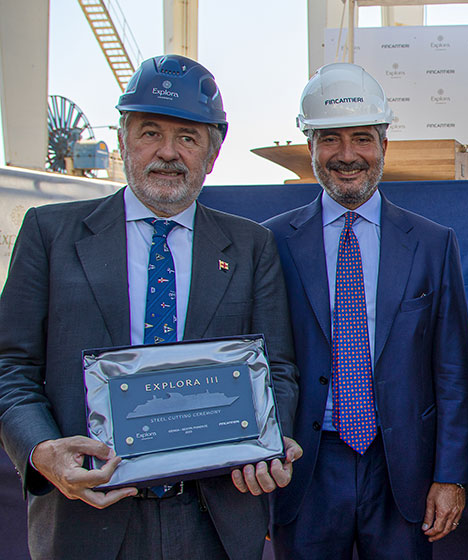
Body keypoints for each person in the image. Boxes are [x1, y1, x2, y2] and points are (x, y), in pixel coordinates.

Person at [0, 54, 301, 560]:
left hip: (215, 520)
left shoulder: (251, 247)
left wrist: (271, 440)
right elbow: (10, 366)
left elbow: (279, 370)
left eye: (188, 137)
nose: (168, 152)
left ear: (213, 152)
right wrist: (41, 451)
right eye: (150, 133)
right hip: (85, 518)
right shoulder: (50, 235)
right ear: (123, 139)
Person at [263, 62, 468, 560]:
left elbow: (452, 372)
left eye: (362, 138)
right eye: (330, 139)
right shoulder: (272, 242)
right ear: (310, 146)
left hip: (402, 471)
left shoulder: (431, 244)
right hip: (305, 469)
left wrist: (450, 475)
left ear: (384, 145)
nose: (347, 155)